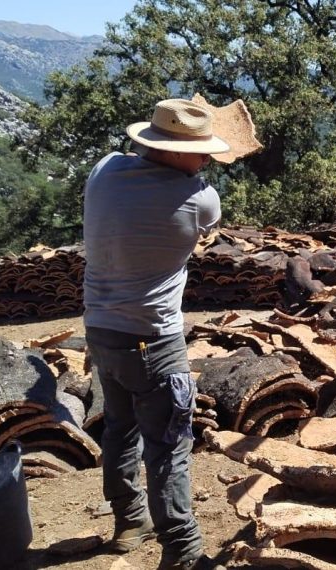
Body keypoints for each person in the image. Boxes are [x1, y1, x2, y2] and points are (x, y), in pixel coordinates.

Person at [82, 98, 229, 570]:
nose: (207, 159)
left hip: (101, 330)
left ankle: (129, 523)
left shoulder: (104, 171)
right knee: (169, 447)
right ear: (174, 149)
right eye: (200, 150)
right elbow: (207, 225)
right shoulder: (200, 198)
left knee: (121, 429)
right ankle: (183, 553)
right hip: (154, 340)